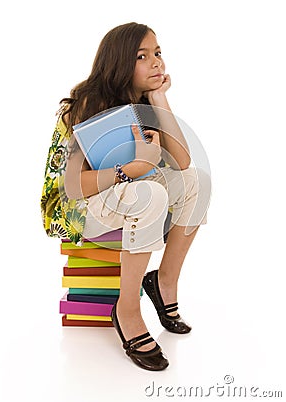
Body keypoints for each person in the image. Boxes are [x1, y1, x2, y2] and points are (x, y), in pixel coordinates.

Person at [41, 22, 211, 371]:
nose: (156, 63)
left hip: (126, 195)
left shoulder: (144, 103)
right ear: (119, 62)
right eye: (142, 56)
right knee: (148, 193)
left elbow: (182, 162)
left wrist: (160, 99)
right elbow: (72, 186)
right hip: (78, 207)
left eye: (158, 53)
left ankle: (163, 282)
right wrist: (131, 170)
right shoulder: (87, 103)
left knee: (197, 181)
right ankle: (127, 310)